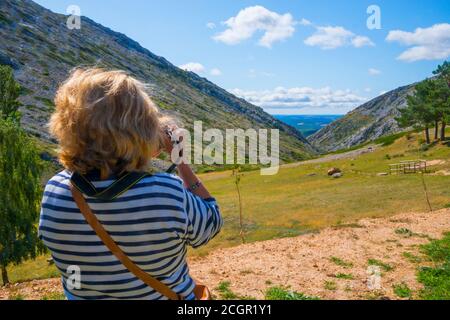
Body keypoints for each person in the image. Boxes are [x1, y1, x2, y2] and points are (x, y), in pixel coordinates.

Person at [38, 68, 223, 300]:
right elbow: (212, 221)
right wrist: (180, 161)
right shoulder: (167, 192)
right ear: (140, 129)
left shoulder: (55, 190)